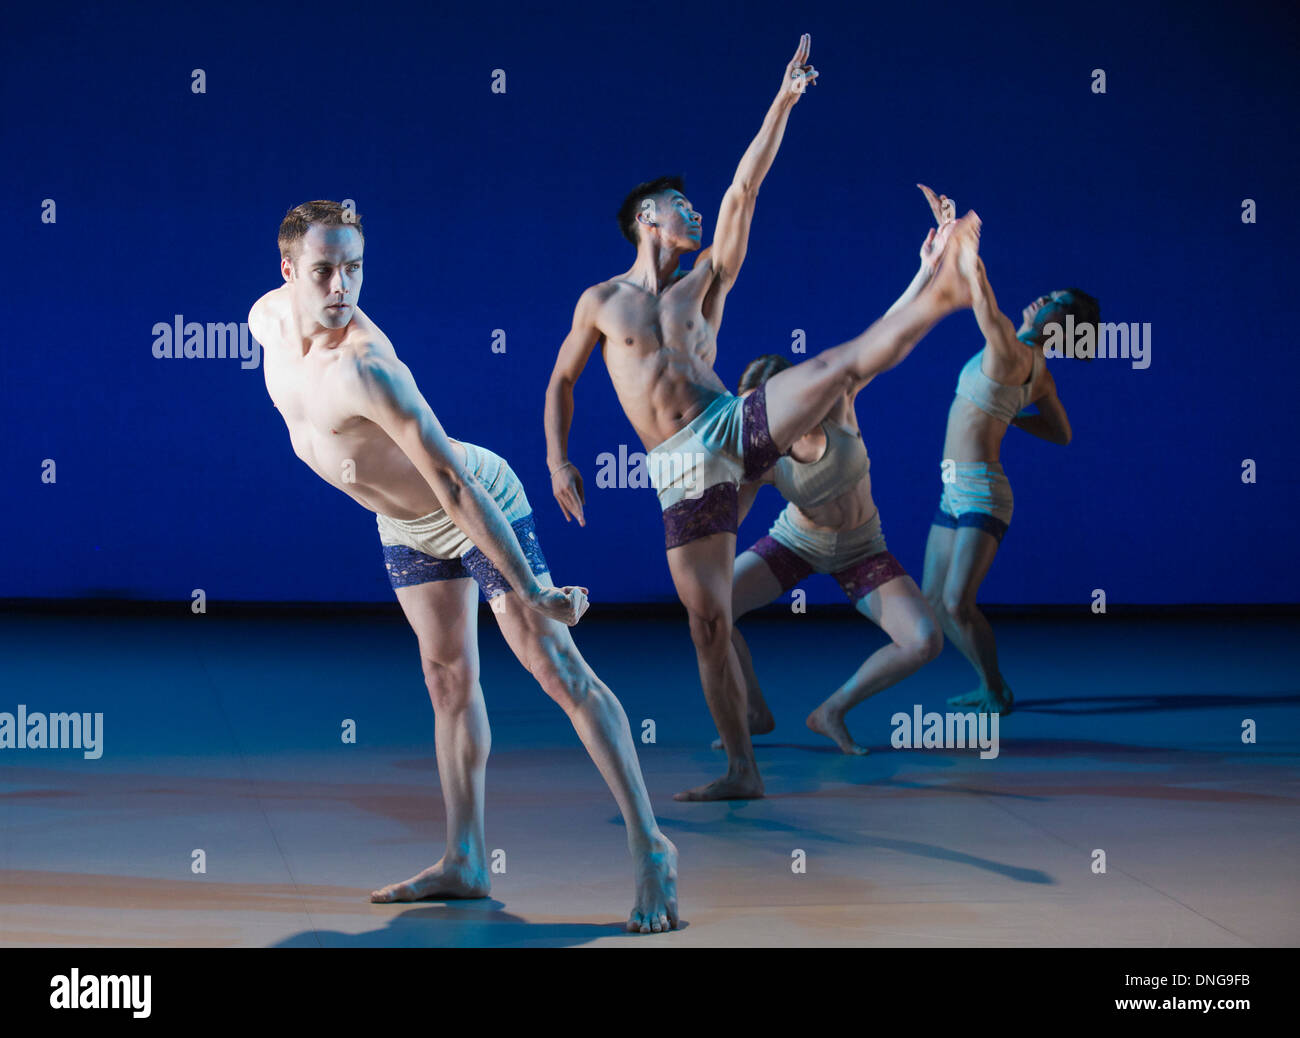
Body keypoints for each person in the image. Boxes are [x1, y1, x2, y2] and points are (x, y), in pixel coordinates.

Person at [545, 33, 983, 799]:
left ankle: (946, 289)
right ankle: (743, 769)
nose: (697, 214)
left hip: (727, 423)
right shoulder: (600, 301)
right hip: (679, 470)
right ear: (649, 216)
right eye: (682, 205)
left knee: (841, 369)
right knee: (709, 624)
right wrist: (558, 459)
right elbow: (561, 381)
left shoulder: (704, 285)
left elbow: (744, 191)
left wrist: (783, 99)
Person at [251, 200, 677, 933]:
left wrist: (535, 588)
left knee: (556, 670)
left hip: (477, 502)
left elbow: (455, 487)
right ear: (288, 271)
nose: (340, 288)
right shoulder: (265, 320)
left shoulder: (368, 366)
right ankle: (467, 860)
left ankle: (653, 849)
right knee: (447, 679)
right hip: (403, 522)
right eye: (323, 270)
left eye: (354, 269)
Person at [918, 187, 1098, 715]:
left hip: (981, 491)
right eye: (1049, 293)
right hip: (955, 486)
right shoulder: (1037, 372)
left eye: (1055, 302)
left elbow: (979, 288)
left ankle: (996, 689)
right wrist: (1011, 416)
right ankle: (987, 684)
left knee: (955, 601)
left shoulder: (1013, 351)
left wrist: (960, 232)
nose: (1043, 299)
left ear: (1060, 324)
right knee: (935, 600)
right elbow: (1061, 433)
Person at [722, 348, 942, 756]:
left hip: (862, 549)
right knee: (713, 609)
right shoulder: (758, 447)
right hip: (796, 542)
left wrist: (929, 284)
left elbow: (889, 336)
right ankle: (754, 712)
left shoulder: (838, 404)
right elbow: (731, 518)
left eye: (768, 404)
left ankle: (831, 711)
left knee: (924, 640)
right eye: (752, 407)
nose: (762, 417)